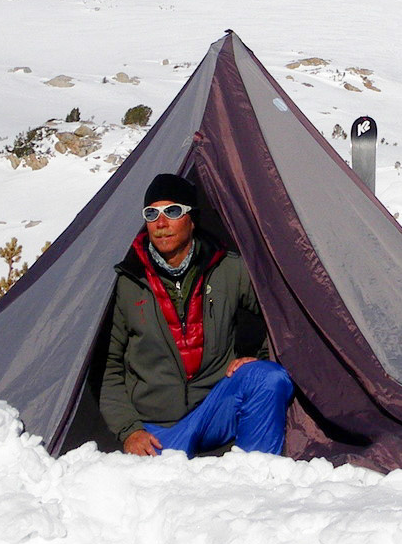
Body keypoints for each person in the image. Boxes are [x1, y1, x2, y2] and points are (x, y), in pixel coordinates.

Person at [99, 173, 293, 457]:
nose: (161, 223)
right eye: (152, 213)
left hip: (215, 408)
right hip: (158, 432)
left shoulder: (227, 268)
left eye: (172, 211)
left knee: (268, 378)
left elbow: (280, 315)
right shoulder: (129, 281)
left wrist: (263, 356)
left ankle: (257, 479)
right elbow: (109, 369)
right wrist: (130, 430)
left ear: (191, 219)